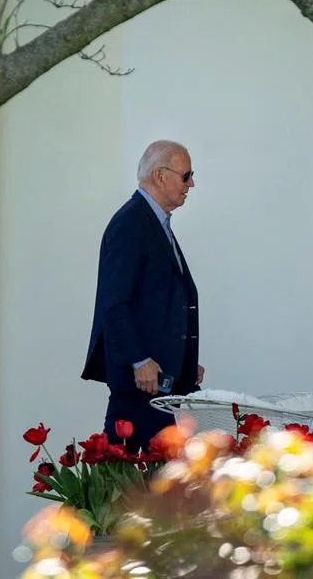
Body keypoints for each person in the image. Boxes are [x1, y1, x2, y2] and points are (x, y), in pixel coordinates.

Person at [81, 140, 204, 451]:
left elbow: (159, 301)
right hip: (142, 384)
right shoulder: (132, 223)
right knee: (132, 486)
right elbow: (115, 301)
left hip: (159, 383)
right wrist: (139, 360)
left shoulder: (153, 222)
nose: (191, 183)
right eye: (186, 175)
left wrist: (186, 363)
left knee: (154, 484)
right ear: (160, 175)